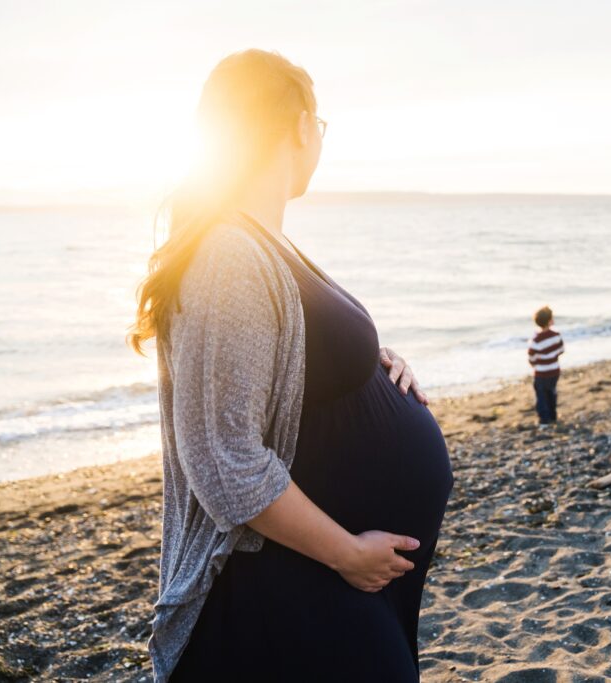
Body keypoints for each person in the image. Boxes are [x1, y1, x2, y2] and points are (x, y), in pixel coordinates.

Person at [128, 49, 454, 682]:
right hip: (281, 584)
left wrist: (376, 365)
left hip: (320, 578)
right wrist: (348, 555)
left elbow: (282, 367)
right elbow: (225, 460)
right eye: (320, 127)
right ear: (300, 126)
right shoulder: (227, 255)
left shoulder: (258, 242)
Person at [527, 306, 564, 427]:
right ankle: (552, 416)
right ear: (550, 321)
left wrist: (534, 364)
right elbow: (561, 350)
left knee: (541, 396)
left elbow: (531, 357)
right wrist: (552, 356)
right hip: (554, 370)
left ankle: (544, 420)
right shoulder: (556, 335)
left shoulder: (535, 340)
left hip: (541, 372)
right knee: (551, 393)